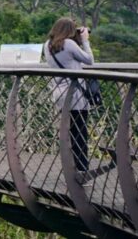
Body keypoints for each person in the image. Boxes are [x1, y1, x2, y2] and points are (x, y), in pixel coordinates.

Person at [44, 17, 95, 181]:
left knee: (69, 133)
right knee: (80, 134)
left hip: (59, 94)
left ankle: (70, 169)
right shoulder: (69, 44)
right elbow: (90, 61)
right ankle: (81, 172)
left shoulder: (47, 45)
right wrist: (85, 41)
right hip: (75, 95)